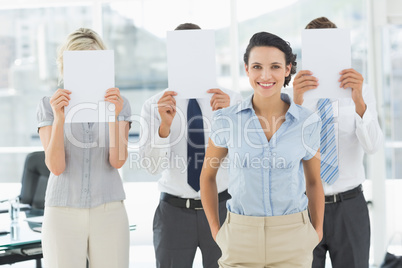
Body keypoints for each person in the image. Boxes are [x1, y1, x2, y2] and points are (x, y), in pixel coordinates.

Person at [200, 31, 324, 268]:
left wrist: (315, 233)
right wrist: (218, 232)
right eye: (257, 66)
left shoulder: (307, 122)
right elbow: (207, 176)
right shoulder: (226, 120)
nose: (265, 75)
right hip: (239, 238)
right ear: (246, 69)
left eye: (275, 66)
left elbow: (314, 182)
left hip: (293, 239)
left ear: (288, 69)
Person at [139, 23, 242, 268]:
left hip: (222, 208)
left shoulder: (231, 100)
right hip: (173, 212)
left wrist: (230, 118)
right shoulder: (154, 105)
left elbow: (246, 161)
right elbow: (151, 167)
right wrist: (164, 128)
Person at [290, 17, 384, 268]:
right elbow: (283, 153)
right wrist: (296, 104)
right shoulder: (293, 95)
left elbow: (373, 146)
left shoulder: (361, 91)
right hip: (304, 207)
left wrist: (360, 104)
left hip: (349, 206)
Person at [37, 28, 131, 268]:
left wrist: (113, 115)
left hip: (108, 209)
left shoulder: (120, 104)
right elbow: (56, 167)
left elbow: (117, 161)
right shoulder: (48, 106)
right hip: (62, 210)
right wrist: (59, 118)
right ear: (65, 66)